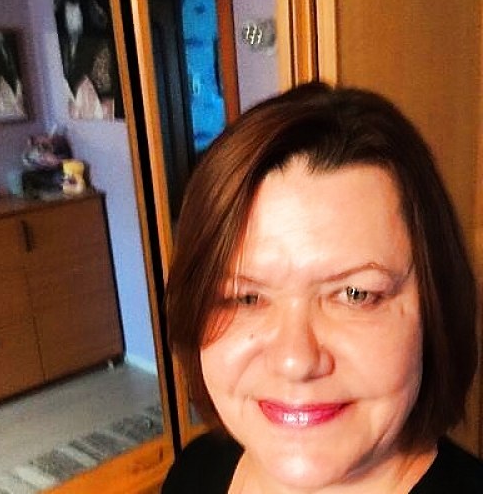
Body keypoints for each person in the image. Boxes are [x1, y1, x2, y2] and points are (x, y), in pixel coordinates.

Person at [163, 82, 483, 493]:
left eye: (355, 294)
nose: (295, 361)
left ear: (435, 309)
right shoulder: (197, 470)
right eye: (246, 297)